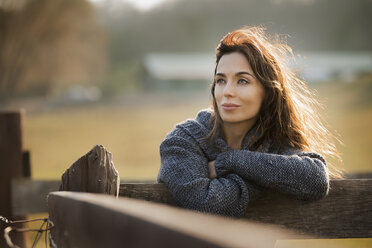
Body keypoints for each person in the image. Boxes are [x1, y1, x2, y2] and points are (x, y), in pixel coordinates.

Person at [157, 26, 342, 217]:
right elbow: (207, 203)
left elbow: (316, 179)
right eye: (221, 80)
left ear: (268, 92)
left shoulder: (271, 141)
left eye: (242, 81)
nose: (227, 91)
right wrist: (265, 175)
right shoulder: (181, 142)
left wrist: (228, 163)